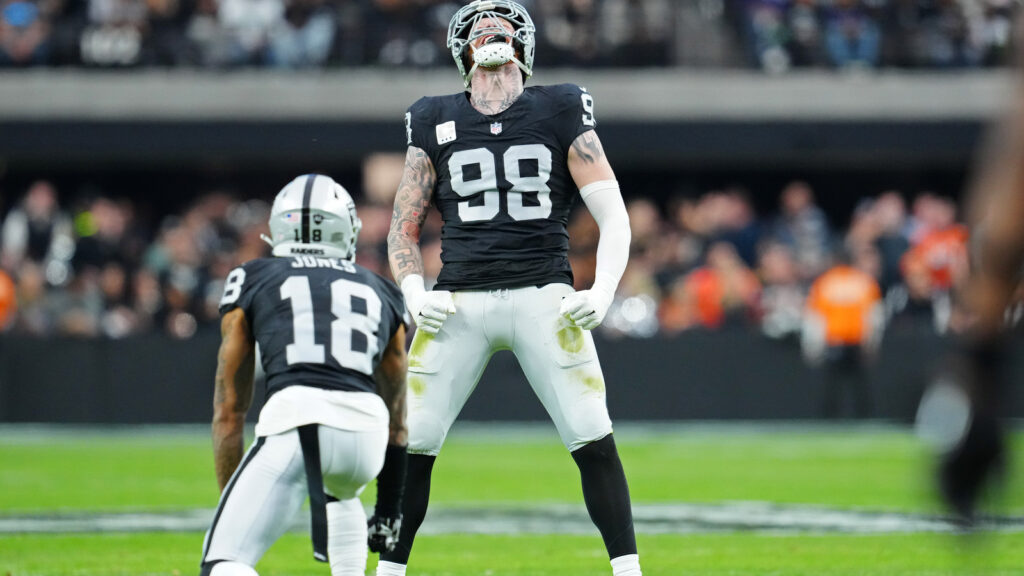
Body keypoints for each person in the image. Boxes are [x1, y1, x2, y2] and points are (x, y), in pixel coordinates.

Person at [382, 2, 640, 575]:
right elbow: (402, 225)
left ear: (523, 44)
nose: (488, 31)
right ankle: (387, 572)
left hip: (543, 295)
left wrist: (601, 291)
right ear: (460, 49)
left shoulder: (560, 107)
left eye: (500, 24)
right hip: (459, 302)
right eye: (476, 26)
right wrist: (413, 290)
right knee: (411, 444)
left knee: (592, 433)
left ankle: (629, 572)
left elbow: (615, 216)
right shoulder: (431, 117)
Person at [198, 174, 409, 576]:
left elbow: (229, 409)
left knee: (222, 562)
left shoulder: (252, 277)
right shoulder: (383, 291)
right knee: (340, 491)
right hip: (366, 437)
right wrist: (389, 508)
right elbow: (399, 419)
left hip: (298, 419)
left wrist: (235, 500)